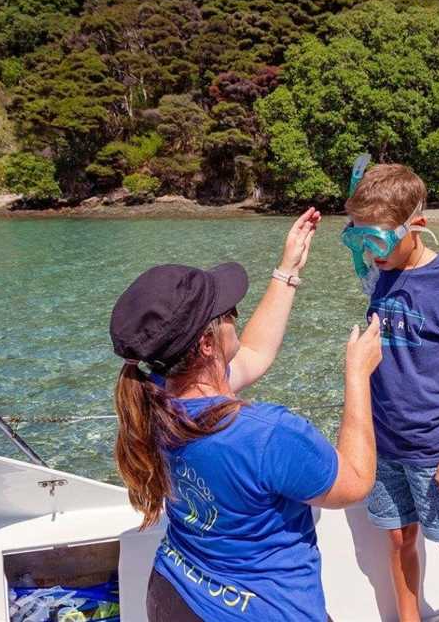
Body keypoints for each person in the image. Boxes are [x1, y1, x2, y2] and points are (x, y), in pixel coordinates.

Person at [109, 208, 383, 621]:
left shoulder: (154, 397)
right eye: (228, 311)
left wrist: (286, 272)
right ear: (206, 344)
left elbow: (252, 355)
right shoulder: (266, 434)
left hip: (173, 594)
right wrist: (358, 376)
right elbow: (356, 483)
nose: (236, 312)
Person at [342, 165, 439, 621]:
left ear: (418, 227)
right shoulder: (378, 274)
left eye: (381, 240)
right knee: (396, 537)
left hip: (431, 447)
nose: (371, 253)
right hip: (382, 443)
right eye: (358, 240)